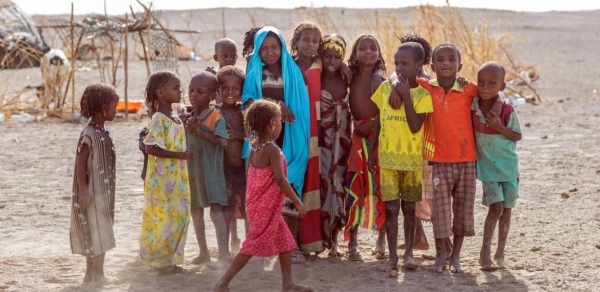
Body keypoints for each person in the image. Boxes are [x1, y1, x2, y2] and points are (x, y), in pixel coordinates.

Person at [213, 100, 312, 292]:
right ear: (272, 124)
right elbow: (281, 180)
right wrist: (298, 203)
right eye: (280, 121)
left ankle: (288, 283)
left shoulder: (254, 148)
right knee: (252, 245)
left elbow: (251, 177)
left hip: (259, 206)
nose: (281, 125)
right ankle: (222, 283)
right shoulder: (272, 150)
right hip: (265, 208)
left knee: (285, 241)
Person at [241, 26, 310, 262]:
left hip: (289, 136)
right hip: (264, 138)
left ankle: (292, 247)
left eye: (274, 47)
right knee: (263, 194)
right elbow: (248, 101)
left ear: (282, 48)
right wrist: (276, 103)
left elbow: (300, 107)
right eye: (264, 48)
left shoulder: (292, 72)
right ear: (257, 51)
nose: (270, 52)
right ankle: (260, 245)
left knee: (291, 185)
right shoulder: (254, 73)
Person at [369, 42, 433, 274]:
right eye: (396, 63)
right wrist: (371, 150)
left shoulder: (423, 95)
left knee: (408, 209)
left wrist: (406, 96)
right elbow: (378, 121)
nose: (399, 68)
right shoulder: (385, 89)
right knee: (391, 208)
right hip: (387, 159)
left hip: (412, 160)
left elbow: (416, 127)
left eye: (404, 64)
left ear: (418, 66)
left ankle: (409, 253)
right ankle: (393, 255)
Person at [416, 43, 478, 273]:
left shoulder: (469, 89)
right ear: (432, 66)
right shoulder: (426, 87)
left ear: (460, 66)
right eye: (440, 60)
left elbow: (490, 93)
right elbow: (402, 78)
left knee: (463, 209)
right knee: (440, 212)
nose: (445, 63)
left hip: (466, 160)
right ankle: (440, 255)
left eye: (451, 59)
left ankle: (456, 256)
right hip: (436, 160)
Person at [390, 34, 453, 257]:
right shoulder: (400, 80)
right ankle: (421, 239)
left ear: (420, 61)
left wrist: (398, 88)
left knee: (427, 197)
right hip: (419, 147)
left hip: (424, 147)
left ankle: (444, 246)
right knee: (417, 197)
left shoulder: (422, 81)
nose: (400, 67)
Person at [139, 71, 194, 274]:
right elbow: (150, 148)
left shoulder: (175, 118)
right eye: (175, 88)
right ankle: (161, 262)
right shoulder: (159, 120)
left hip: (178, 178)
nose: (180, 91)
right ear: (161, 92)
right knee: (163, 218)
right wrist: (178, 156)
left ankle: (173, 259)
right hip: (162, 181)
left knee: (179, 215)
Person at [473, 62, 522, 271]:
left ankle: (500, 251)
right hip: (487, 169)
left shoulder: (507, 110)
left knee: (507, 210)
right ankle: (485, 251)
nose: (485, 87)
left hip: (509, 168)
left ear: (502, 86)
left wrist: (499, 127)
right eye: (481, 83)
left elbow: (517, 135)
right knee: (496, 208)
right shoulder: (473, 106)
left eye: (492, 84)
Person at [70, 84, 119, 286]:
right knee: (96, 232)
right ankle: (96, 275)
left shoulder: (102, 131)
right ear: (103, 107)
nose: (117, 110)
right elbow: (80, 163)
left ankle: (92, 275)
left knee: (99, 231)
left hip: (104, 194)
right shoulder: (89, 133)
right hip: (92, 193)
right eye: (115, 105)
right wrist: (83, 191)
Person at [344, 34, 387, 262]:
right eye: (363, 48)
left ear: (379, 54)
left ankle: (381, 239)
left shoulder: (382, 81)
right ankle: (353, 243)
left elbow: (388, 112)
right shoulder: (349, 77)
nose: (368, 52)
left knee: (380, 185)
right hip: (357, 138)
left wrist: (371, 123)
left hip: (378, 136)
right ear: (354, 53)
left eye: (373, 48)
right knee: (355, 187)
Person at [181, 72, 231, 266]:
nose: (193, 95)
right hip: (193, 171)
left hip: (212, 171)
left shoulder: (215, 115)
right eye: (191, 90)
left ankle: (223, 253)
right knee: (196, 210)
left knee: (215, 211)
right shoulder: (187, 116)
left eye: (200, 92)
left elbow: (223, 141)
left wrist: (199, 132)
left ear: (212, 96)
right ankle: (203, 252)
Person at [290, 21, 325, 259]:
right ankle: (289, 242)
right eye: (306, 40)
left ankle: (310, 242)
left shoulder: (322, 66)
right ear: (295, 43)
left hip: (315, 137)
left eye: (315, 41)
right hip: (291, 134)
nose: (310, 45)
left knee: (312, 186)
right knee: (292, 185)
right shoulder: (286, 65)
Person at [319, 34, 351, 257]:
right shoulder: (314, 75)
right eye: (327, 56)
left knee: (339, 186)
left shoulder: (348, 77)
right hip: (320, 143)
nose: (331, 61)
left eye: (337, 57)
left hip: (342, 144)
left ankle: (336, 240)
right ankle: (318, 240)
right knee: (321, 187)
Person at [216, 65, 248, 253]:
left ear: (242, 90)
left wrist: (237, 135)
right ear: (218, 90)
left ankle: (249, 248)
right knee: (226, 210)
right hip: (223, 169)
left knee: (247, 209)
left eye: (235, 88)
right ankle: (224, 251)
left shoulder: (243, 112)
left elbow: (252, 137)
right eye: (225, 88)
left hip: (243, 169)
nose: (230, 92)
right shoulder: (215, 112)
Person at [207, 38, 239, 103]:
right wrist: (206, 77)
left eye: (233, 56)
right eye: (225, 56)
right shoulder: (213, 77)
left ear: (237, 57)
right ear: (216, 58)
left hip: (236, 110)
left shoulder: (238, 75)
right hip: (220, 110)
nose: (229, 59)